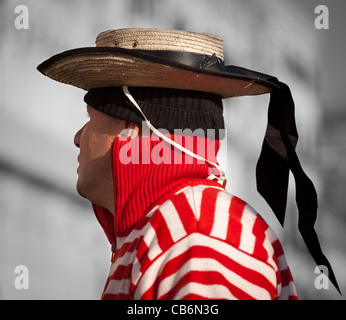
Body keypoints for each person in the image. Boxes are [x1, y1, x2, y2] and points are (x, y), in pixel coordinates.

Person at [37, 28, 339, 299]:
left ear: (131, 132)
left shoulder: (198, 233)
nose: (78, 138)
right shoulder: (176, 228)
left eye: (88, 120)